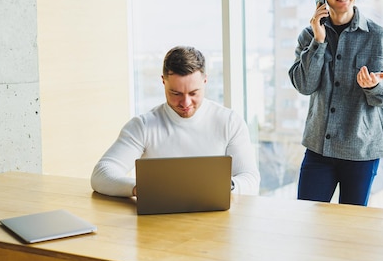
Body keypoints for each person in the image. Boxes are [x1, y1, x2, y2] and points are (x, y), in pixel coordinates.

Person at [288, 0, 383, 206]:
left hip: (361, 152)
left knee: (352, 229)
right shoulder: (309, 35)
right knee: (309, 219)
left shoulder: (378, 36)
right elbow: (304, 85)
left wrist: (374, 87)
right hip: (319, 149)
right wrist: (318, 42)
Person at [91, 45, 260, 197]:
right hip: (158, 224)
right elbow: (101, 174)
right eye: (176, 93)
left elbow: (251, 180)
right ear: (163, 82)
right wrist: (140, 188)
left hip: (218, 223)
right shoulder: (143, 126)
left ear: (205, 81)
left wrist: (222, 187)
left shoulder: (229, 122)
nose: (186, 103)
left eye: (193, 93)